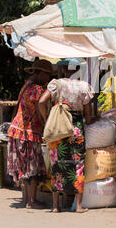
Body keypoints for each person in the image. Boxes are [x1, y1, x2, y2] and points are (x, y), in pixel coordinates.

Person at [39, 58, 96, 213]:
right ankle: (78, 206)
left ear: (63, 70)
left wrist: (46, 120)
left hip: (58, 129)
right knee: (78, 165)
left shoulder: (56, 84)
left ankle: (56, 206)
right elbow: (89, 117)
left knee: (57, 164)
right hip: (75, 130)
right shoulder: (84, 87)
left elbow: (41, 102)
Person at [7, 59, 54, 209]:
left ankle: (27, 199)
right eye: (47, 76)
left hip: (17, 131)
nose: (48, 79)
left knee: (24, 167)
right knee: (32, 167)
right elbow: (40, 108)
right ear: (41, 74)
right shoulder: (37, 90)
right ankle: (32, 201)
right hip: (28, 133)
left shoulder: (26, 85)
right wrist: (46, 121)